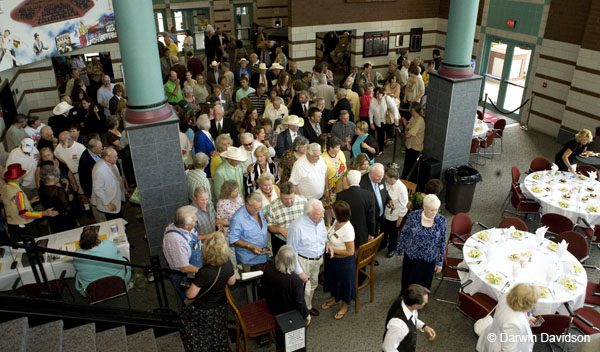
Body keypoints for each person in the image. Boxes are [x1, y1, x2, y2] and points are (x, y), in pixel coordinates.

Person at [180, 231, 235, 352]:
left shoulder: (205, 272)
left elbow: (190, 294)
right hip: (220, 307)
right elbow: (232, 282)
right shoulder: (227, 263)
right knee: (218, 332)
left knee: (198, 333)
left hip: (204, 311)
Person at [287, 199, 333, 317]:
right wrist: (300, 272)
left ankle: (307, 305)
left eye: (323, 212)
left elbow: (323, 234)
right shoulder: (296, 227)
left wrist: (327, 242)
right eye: (319, 214)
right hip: (303, 261)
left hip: (317, 260)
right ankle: (304, 310)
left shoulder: (319, 220)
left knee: (313, 284)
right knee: (304, 289)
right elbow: (291, 252)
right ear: (309, 214)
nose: (323, 216)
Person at [396, 194, 446, 295]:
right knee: (408, 282)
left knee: (424, 284)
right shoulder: (413, 216)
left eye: (436, 209)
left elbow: (442, 241)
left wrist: (440, 262)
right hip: (412, 257)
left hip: (429, 259)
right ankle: (405, 299)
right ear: (424, 207)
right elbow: (404, 233)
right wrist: (399, 251)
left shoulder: (441, 220)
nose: (435, 213)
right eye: (432, 210)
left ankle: (420, 302)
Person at [1, 164, 58, 241]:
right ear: (18, 177)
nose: (23, 177)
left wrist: (29, 202)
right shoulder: (18, 192)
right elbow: (24, 214)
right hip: (25, 226)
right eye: (22, 175)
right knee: (34, 244)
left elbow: (13, 204)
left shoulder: (5, 188)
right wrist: (44, 213)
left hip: (13, 225)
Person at [476, 283, 539, 352]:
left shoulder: (506, 297)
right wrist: (523, 323)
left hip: (493, 334)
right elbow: (508, 349)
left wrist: (526, 320)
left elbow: (508, 316)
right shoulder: (514, 324)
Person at [321, 200, 356, 320]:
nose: (331, 211)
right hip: (332, 260)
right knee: (332, 280)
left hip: (344, 263)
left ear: (338, 213)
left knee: (344, 285)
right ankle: (334, 299)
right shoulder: (337, 221)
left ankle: (344, 307)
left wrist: (332, 249)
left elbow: (350, 252)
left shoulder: (347, 230)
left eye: (333, 210)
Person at [73, 226, 131, 297]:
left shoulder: (76, 254)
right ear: (97, 239)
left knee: (78, 274)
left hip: (92, 290)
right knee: (125, 261)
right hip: (118, 282)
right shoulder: (108, 244)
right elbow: (120, 258)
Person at [261, 245, 311, 325]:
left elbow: (263, 283)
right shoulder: (295, 281)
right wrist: (306, 314)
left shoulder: (268, 268)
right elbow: (299, 302)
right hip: (288, 313)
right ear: (292, 261)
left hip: (271, 306)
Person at [163, 205, 203, 301]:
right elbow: (184, 268)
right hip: (185, 277)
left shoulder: (185, 228)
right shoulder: (176, 241)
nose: (196, 221)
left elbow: (195, 240)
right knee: (191, 301)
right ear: (186, 225)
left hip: (195, 269)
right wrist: (203, 273)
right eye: (194, 220)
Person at [382, 284, 436, 352]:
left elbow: (412, 319)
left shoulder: (408, 303)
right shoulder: (398, 325)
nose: (427, 302)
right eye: (424, 302)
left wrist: (424, 326)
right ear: (416, 305)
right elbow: (388, 348)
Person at [229, 192, 270, 272]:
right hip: (249, 261)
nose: (258, 211)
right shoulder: (237, 219)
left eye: (260, 207)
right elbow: (233, 240)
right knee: (250, 282)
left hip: (263, 256)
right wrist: (249, 246)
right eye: (256, 208)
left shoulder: (258, 209)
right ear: (247, 205)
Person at [336, 170, 376, 249]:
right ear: (360, 179)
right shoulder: (369, 196)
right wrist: (371, 233)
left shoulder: (340, 196)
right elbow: (371, 218)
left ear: (348, 180)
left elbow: (338, 216)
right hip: (362, 234)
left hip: (345, 233)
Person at [266, 181, 307, 256]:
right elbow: (269, 226)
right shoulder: (272, 207)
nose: (288, 201)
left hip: (301, 240)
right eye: (285, 199)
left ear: (294, 194)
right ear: (280, 195)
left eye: (291, 198)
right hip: (281, 242)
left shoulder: (303, 201)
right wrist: (280, 230)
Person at [216, 180, 244, 278]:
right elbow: (219, 220)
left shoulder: (239, 198)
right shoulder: (221, 203)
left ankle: (238, 264)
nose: (238, 193)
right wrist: (232, 224)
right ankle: (234, 270)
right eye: (235, 191)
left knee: (239, 249)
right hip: (229, 232)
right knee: (231, 252)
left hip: (241, 231)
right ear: (228, 192)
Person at [38, 164, 77, 233]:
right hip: (64, 219)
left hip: (52, 218)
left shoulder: (41, 189)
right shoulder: (58, 190)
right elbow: (67, 206)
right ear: (54, 178)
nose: (59, 176)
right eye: (58, 175)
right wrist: (70, 199)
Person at [91, 147, 126, 220]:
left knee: (120, 219)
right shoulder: (99, 170)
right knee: (115, 222)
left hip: (116, 197)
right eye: (115, 156)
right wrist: (108, 204)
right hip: (109, 201)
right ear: (107, 157)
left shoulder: (112, 162)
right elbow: (98, 189)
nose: (117, 157)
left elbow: (118, 178)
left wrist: (124, 190)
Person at [360, 163, 392, 235]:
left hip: (381, 216)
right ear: (371, 173)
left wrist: (389, 200)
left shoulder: (381, 178)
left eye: (382, 176)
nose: (381, 179)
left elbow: (384, 192)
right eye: (378, 177)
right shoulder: (362, 184)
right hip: (370, 219)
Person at [383, 167, 409, 257]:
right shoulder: (388, 183)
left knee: (393, 233)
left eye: (386, 177)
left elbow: (404, 206)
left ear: (392, 178)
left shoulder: (401, 189)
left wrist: (399, 219)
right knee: (385, 230)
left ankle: (392, 248)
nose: (385, 179)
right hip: (386, 212)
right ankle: (383, 245)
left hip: (395, 215)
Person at [321, 136, 346, 224]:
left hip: (341, 184)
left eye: (339, 147)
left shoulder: (341, 153)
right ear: (330, 148)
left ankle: (338, 222)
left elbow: (345, 168)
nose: (339, 149)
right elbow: (324, 176)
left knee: (339, 205)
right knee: (328, 205)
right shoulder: (323, 158)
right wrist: (327, 190)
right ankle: (328, 223)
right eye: (337, 147)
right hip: (330, 186)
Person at [369, 87, 399, 154]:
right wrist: (371, 122)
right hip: (378, 122)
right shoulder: (373, 101)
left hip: (387, 121)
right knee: (380, 136)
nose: (378, 95)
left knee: (390, 133)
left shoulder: (387, 98)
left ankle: (387, 139)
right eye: (376, 94)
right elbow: (370, 112)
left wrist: (396, 117)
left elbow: (394, 108)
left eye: (380, 93)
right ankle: (381, 149)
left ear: (382, 93)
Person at [402, 102, 425, 181]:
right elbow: (407, 129)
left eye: (412, 110)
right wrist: (407, 131)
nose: (410, 111)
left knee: (412, 170)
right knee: (406, 167)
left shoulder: (419, 121)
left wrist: (407, 131)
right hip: (409, 146)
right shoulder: (413, 118)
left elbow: (407, 134)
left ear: (414, 110)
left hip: (415, 148)